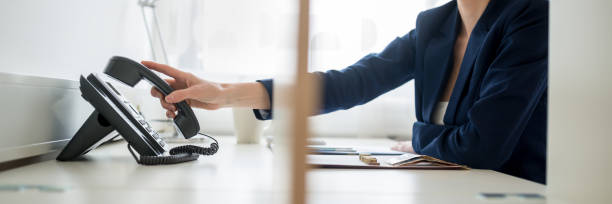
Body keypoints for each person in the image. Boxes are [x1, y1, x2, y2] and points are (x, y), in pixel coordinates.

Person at [144, 0, 548, 184]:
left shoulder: (532, 16)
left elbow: (481, 147)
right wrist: (224, 93)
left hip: (510, 193)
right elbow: (349, 82)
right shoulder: (435, 25)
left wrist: (420, 139)